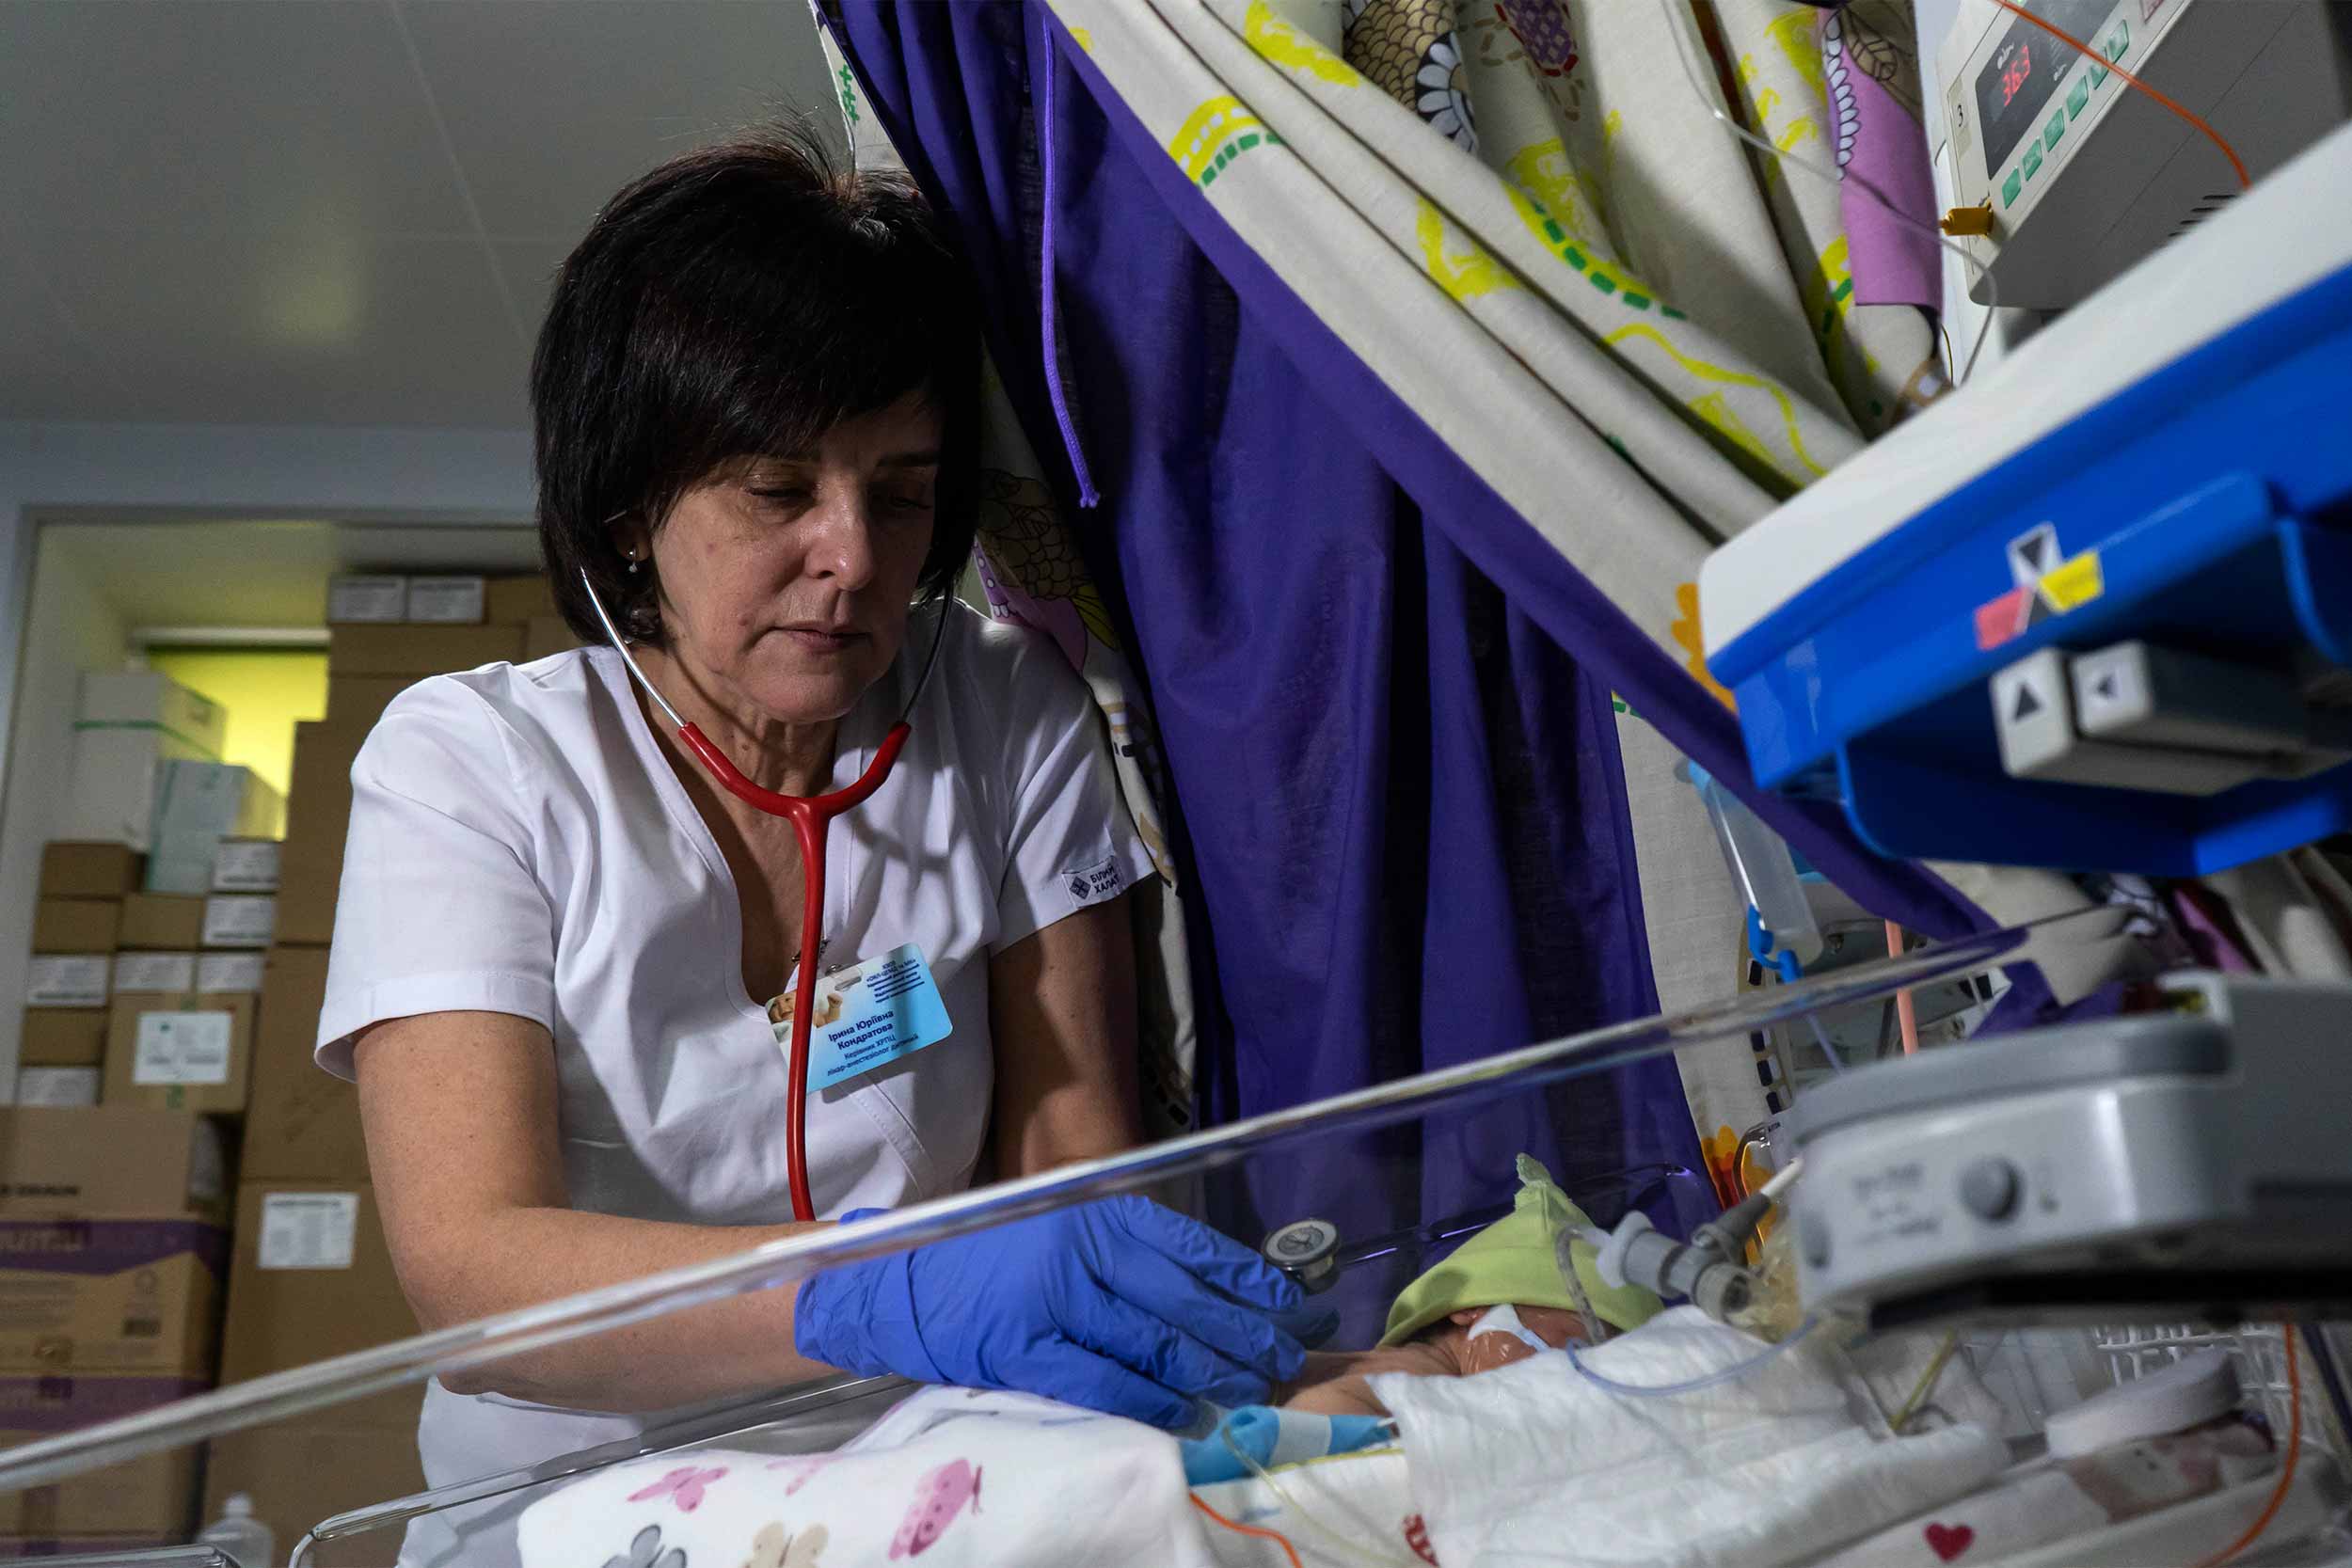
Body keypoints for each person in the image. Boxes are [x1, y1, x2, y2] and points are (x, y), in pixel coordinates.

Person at [317, 124, 1302, 1568]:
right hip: (565, 1507)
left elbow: (1072, 1164)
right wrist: (888, 1285)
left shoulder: (1004, 712)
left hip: (945, 1465)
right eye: (779, 492)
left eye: (900, 495)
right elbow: (476, 1275)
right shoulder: (471, 765)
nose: (851, 556)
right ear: (629, 511)